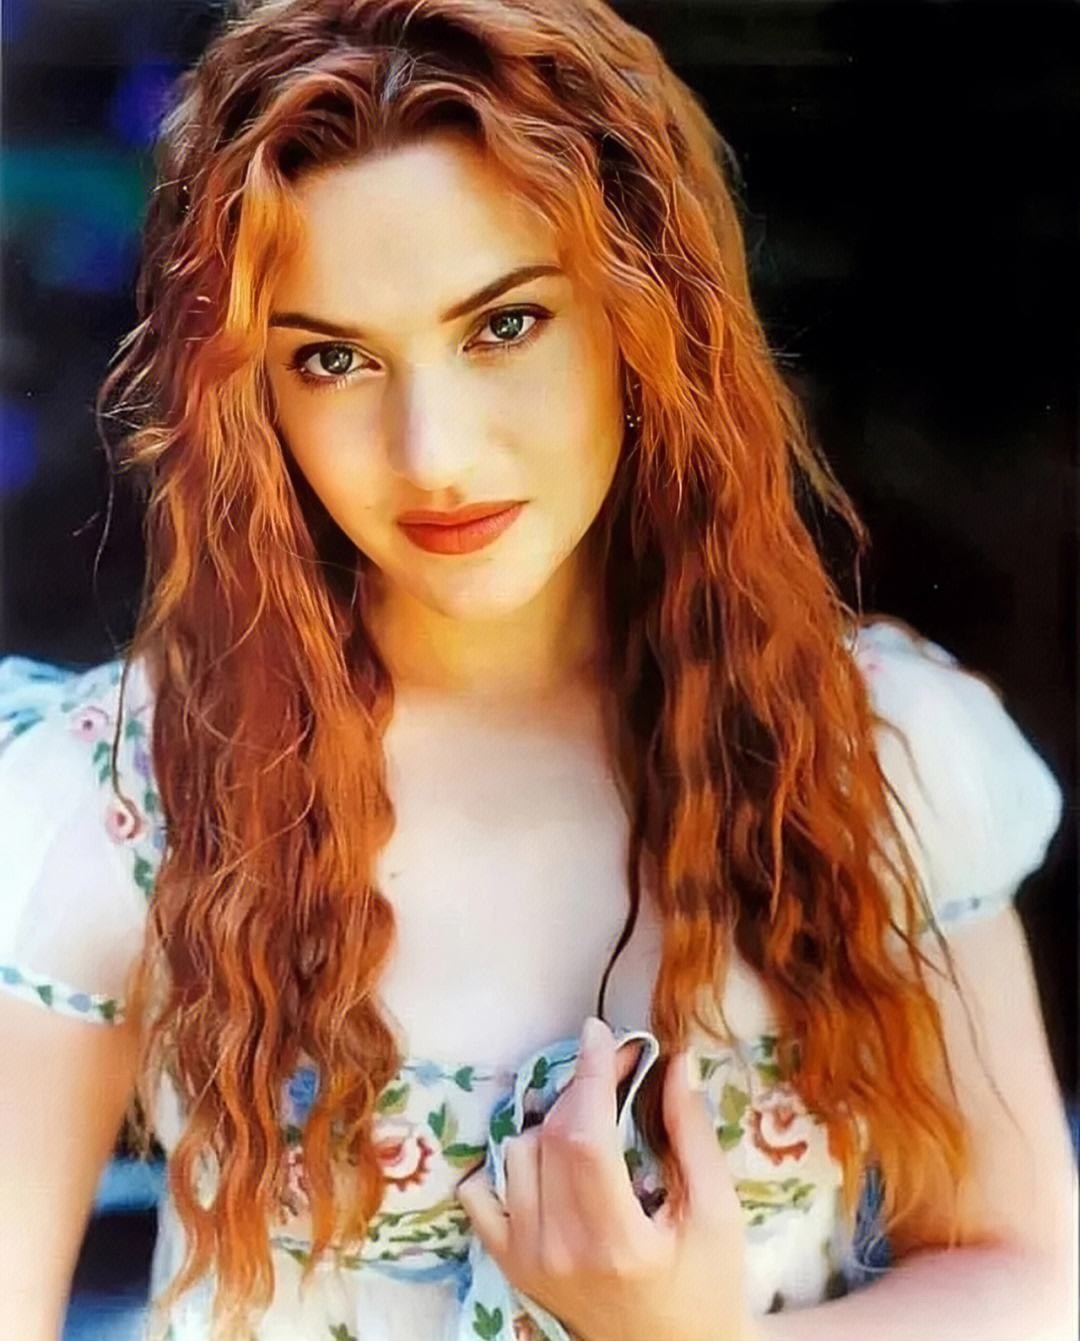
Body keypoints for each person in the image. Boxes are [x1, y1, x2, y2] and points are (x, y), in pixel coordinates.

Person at [0, 1, 1075, 1338]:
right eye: (333, 359)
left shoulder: (866, 757)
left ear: (643, 316)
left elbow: (1028, 1278)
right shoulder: (125, 795)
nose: (434, 450)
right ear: (249, 399)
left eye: (504, 325)